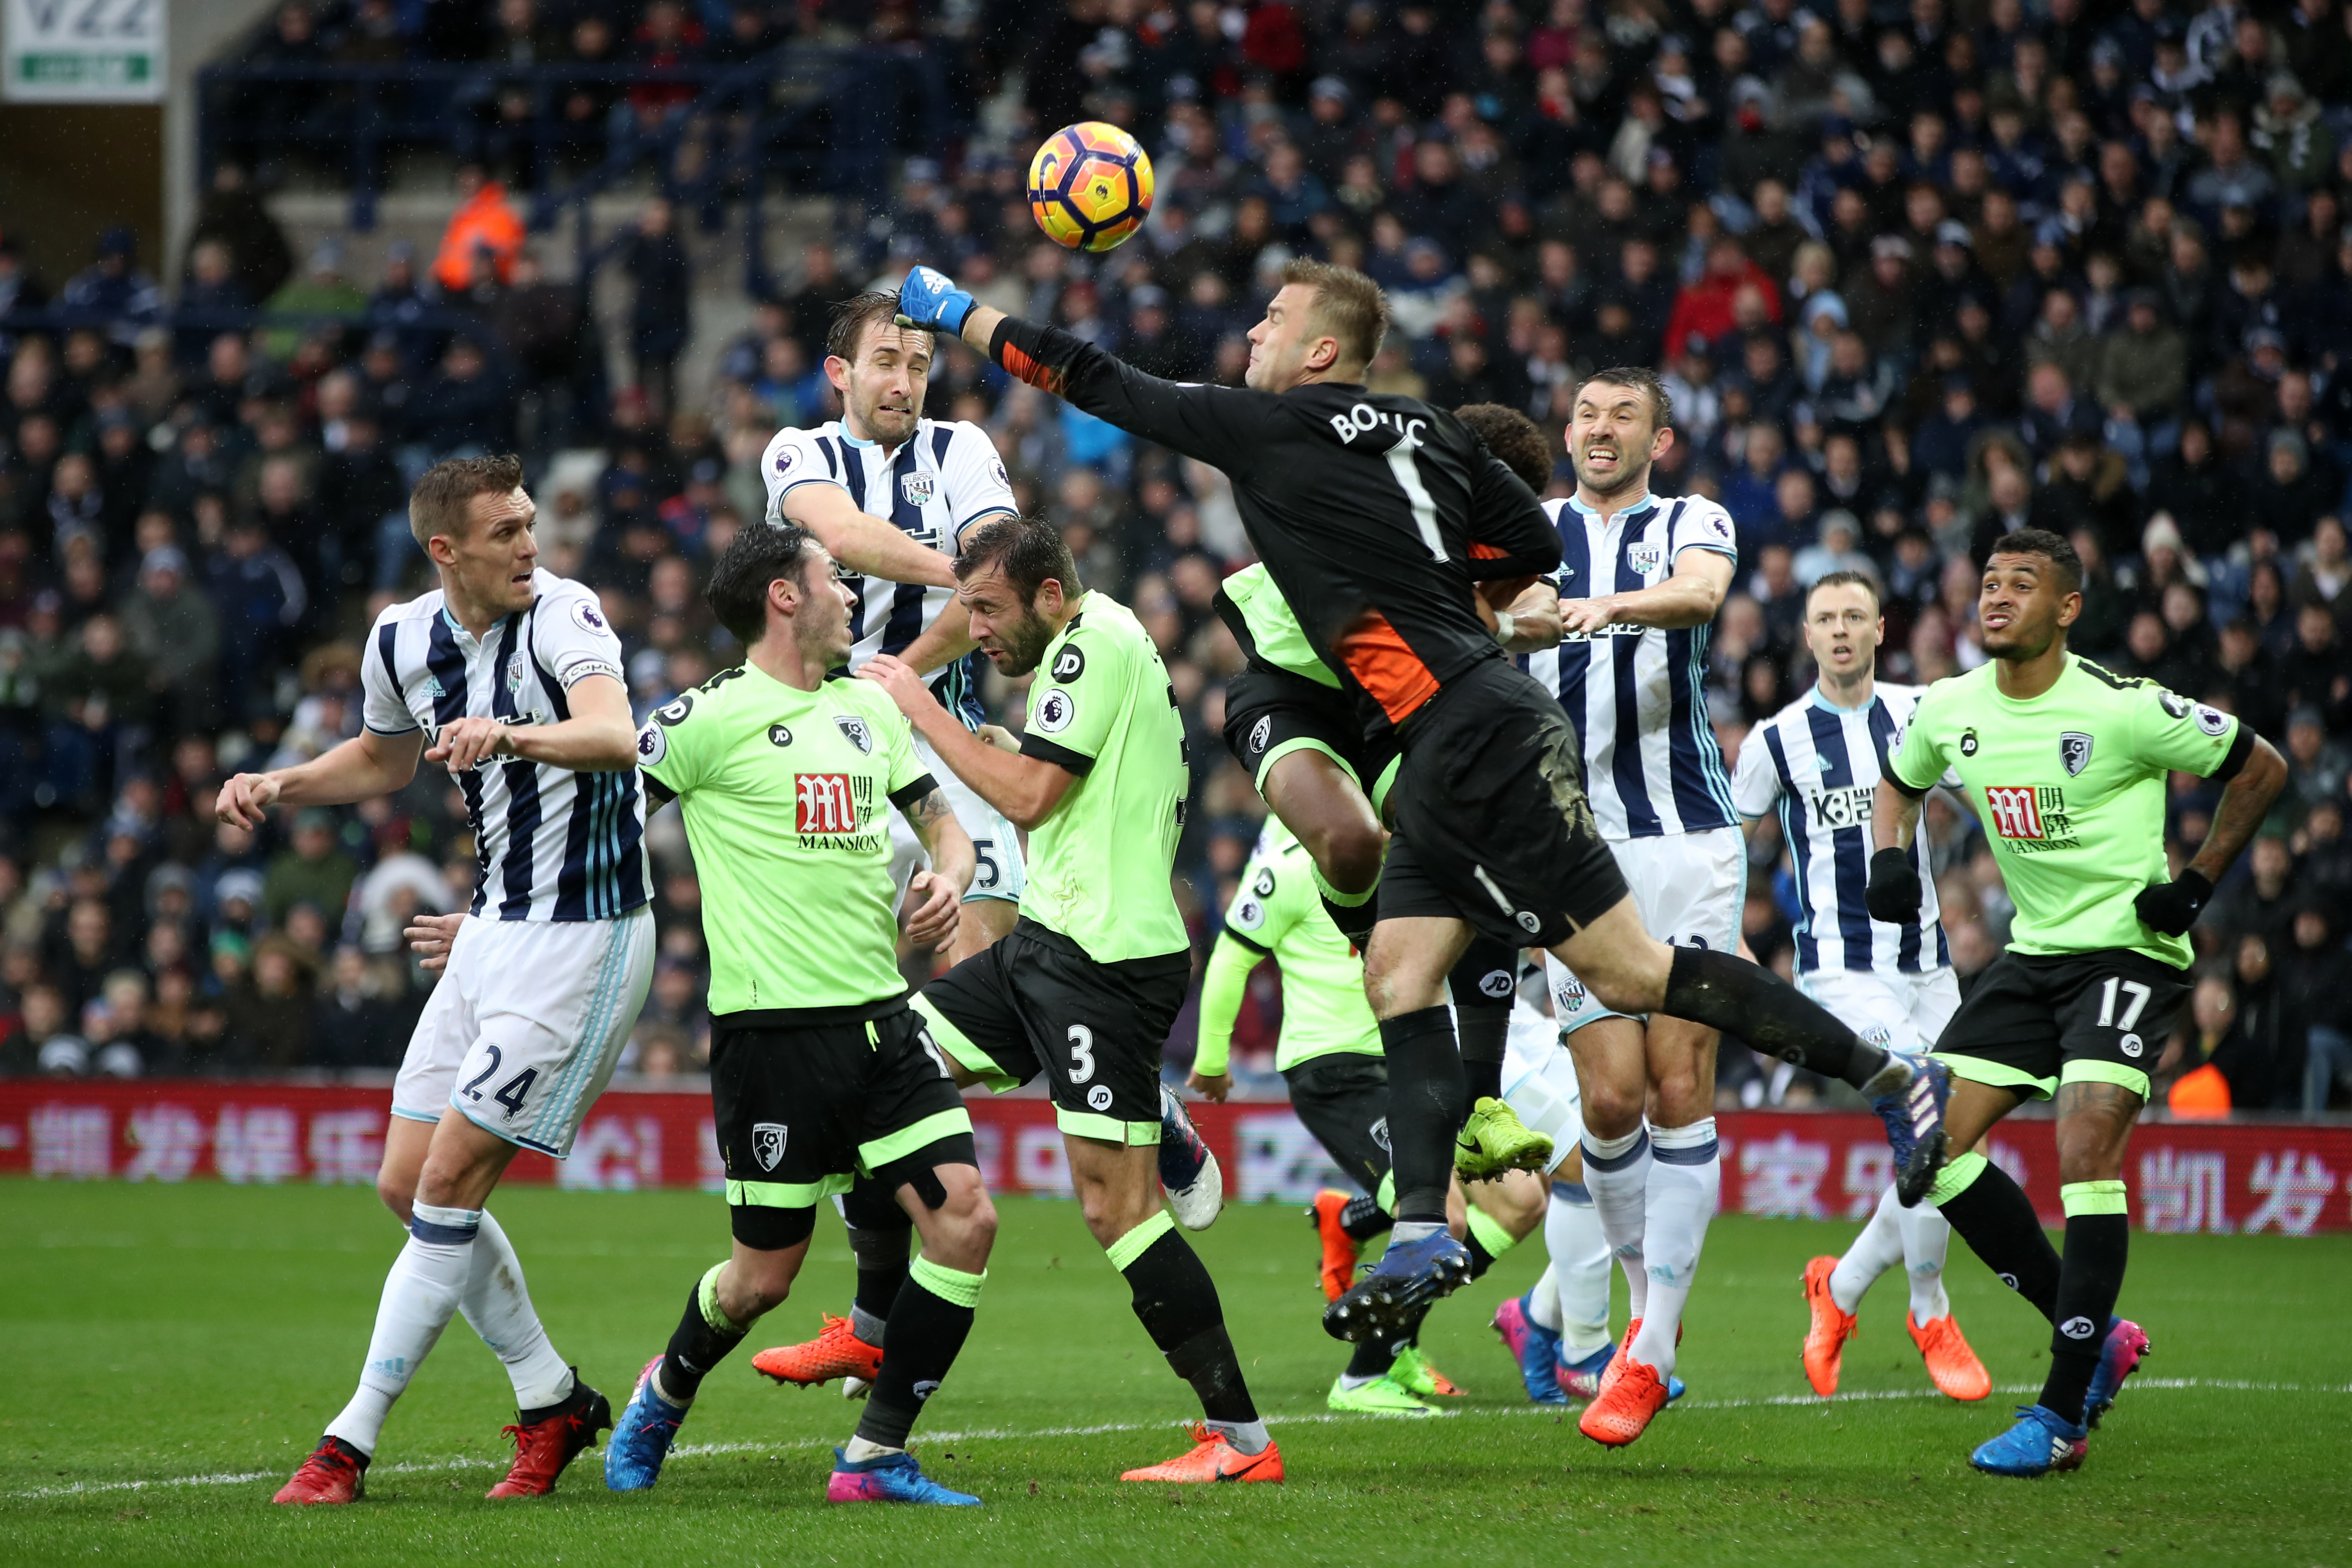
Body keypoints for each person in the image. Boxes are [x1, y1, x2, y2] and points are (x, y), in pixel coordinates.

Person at [893, 260, 1947, 1454]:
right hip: (1462, 720)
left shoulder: (1269, 426)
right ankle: (1414, 1225)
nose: (1251, 331)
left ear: (1320, 355)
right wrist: (1451, 595)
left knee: (1631, 975)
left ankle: (1879, 1073)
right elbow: (1526, 541)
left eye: (1272, 319)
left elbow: (1094, 377)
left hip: (1466, 730)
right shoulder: (1433, 433)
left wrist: (954, 312)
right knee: (1396, 973)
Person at [746, 294, 1221, 1399]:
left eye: (917, 361)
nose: (905, 379)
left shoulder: (964, 447)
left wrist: (901, 677)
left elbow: (991, 578)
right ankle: (874, 1313)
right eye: (884, 361)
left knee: (973, 991)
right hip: (825, 768)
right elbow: (845, 535)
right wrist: (936, 601)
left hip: (950, 753)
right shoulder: (795, 450)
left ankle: (1129, 1101)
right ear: (839, 374)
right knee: (861, 1051)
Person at [224, 455, 653, 1505]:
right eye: (504, 530)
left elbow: (615, 735)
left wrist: (508, 731)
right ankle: (551, 1396)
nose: (528, 542)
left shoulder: (565, 613)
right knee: (403, 1185)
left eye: (529, 522)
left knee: (450, 1183)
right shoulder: (398, 637)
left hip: (587, 936)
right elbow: (382, 758)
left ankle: (346, 1444)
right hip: (494, 928)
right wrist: (286, 783)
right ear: (444, 549)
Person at [859, 516, 1279, 1484]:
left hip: (1104, 964)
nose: (978, 632)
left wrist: (921, 706)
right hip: (1048, 947)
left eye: (990, 611)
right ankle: (873, 1325)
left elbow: (1032, 798)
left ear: (1050, 595)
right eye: (965, 612)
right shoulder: (1084, 654)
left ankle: (1243, 1442)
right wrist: (989, 735)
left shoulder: (1095, 642)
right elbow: (1067, 788)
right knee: (877, 1068)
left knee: (1116, 1212)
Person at [1868, 527, 2287, 1477]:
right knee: (1925, 1149)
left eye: (2022, 585)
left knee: (2084, 1147)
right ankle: (2096, 1335)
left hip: (2128, 954)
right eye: (1986, 583)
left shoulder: (2124, 709)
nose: (1996, 597)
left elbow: (2261, 767)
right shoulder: (1950, 706)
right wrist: (1891, 859)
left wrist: (2198, 882)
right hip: (2030, 960)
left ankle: (2059, 1414)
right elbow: (1899, 785)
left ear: (2066, 609)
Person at [600, 521, 994, 1507]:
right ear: (784, 596)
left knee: (967, 1221)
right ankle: (670, 1382)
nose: (852, 596)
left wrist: (948, 879)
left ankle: (872, 1455)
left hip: (883, 1025)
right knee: (760, 1280)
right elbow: (598, 826)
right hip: (772, 1040)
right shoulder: (700, 720)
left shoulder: (870, 706)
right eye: (835, 578)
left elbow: (946, 826)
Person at [1499, 366, 1748, 1446]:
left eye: (1624, 418)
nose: (1601, 431)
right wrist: (1510, 625)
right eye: (1588, 416)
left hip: (1688, 838)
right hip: (1570, 842)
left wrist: (1603, 605)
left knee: (1679, 1078)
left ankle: (1649, 1342)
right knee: (1606, 1100)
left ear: (1662, 435)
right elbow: (1475, 619)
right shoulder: (1527, 523)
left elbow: (1699, 595)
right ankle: (1645, 1294)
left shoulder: (1694, 519)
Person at [1729, 570, 1990, 1404]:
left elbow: (1987, 799)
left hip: (1930, 963)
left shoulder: (1920, 714)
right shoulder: (1774, 740)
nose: (1839, 630)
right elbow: (1729, 851)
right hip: (1839, 969)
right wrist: (1730, 948)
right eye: (1823, 619)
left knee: (1952, 1138)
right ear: (1805, 637)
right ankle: (1928, 1309)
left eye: (1853, 616)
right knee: (1927, 1104)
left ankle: (1837, 1290)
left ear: (1881, 628)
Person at [1191, 814, 1548, 1415]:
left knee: (1522, 1201)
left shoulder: (1410, 851)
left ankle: (1377, 1278)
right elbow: (1231, 956)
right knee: (1446, 1218)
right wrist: (1210, 1059)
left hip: (1410, 1062)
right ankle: (1363, 1373)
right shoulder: (1292, 862)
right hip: (1335, 1073)